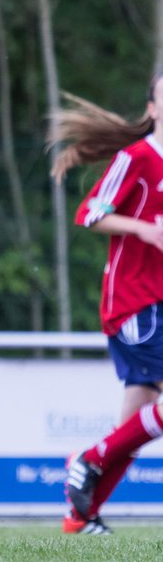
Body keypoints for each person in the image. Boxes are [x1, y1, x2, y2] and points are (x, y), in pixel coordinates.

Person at [53, 72, 163, 535]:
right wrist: (141, 228)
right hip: (137, 302)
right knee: (135, 426)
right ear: (153, 109)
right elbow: (90, 212)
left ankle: (82, 515)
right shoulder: (137, 157)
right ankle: (87, 459)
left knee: (132, 426)